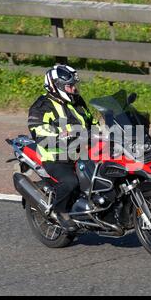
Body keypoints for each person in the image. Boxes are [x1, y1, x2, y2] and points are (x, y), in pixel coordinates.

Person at [27, 65, 99, 232]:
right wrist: (61, 136)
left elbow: (91, 122)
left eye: (74, 85)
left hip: (81, 150)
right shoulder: (42, 106)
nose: (74, 89)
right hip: (55, 156)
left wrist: (103, 131)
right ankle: (61, 212)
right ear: (56, 86)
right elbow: (37, 130)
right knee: (71, 181)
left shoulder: (77, 101)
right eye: (69, 86)